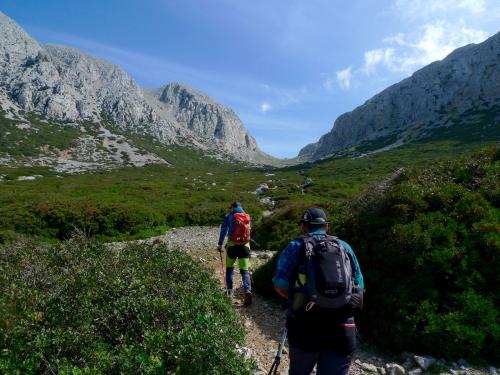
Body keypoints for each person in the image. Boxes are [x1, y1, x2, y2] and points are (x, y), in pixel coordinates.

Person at [273, 207, 364, 375]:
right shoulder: (344, 247)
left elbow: (280, 286)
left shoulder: (295, 247)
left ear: (304, 226)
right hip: (343, 329)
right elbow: (359, 286)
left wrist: (302, 299)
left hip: (304, 328)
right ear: (326, 227)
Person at [217, 202, 253, 306]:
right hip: (245, 247)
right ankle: (247, 291)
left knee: (229, 269)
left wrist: (220, 244)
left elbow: (224, 230)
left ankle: (229, 292)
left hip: (232, 246)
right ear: (241, 207)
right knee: (244, 271)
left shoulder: (229, 216)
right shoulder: (247, 216)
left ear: (232, 207)